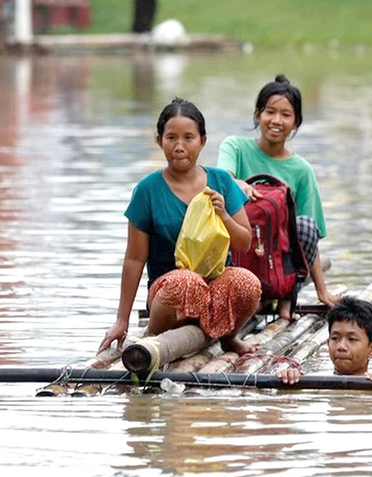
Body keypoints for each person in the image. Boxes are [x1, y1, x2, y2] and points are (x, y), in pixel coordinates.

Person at [98, 98, 262, 356]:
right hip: (171, 294)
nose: (179, 146)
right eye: (171, 138)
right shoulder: (147, 190)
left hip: (215, 289)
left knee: (247, 282)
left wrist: (224, 217)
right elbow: (134, 258)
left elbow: (244, 242)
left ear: (203, 142)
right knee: (187, 282)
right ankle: (155, 335)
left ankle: (228, 337)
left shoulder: (221, 181)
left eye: (189, 138)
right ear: (159, 141)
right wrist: (122, 320)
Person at [217, 74, 339, 320]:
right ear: (257, 115)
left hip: (278, 265)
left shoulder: (301, 170)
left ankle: (285, 300)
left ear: (296, 123)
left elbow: (309, 239)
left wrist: (321, 290)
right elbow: (222, 180)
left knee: (304, 226)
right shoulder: (235, 148)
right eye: (270, 112)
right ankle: (242, 297)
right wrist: (238, 184)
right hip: (237, 254)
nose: (276, 120)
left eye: (286, 115)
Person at [277, 297, 372, 384]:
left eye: (352, 339)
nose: (341, 347)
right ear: (328, 343)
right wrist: (289, 381)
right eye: (335, 338)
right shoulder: (310, 382)